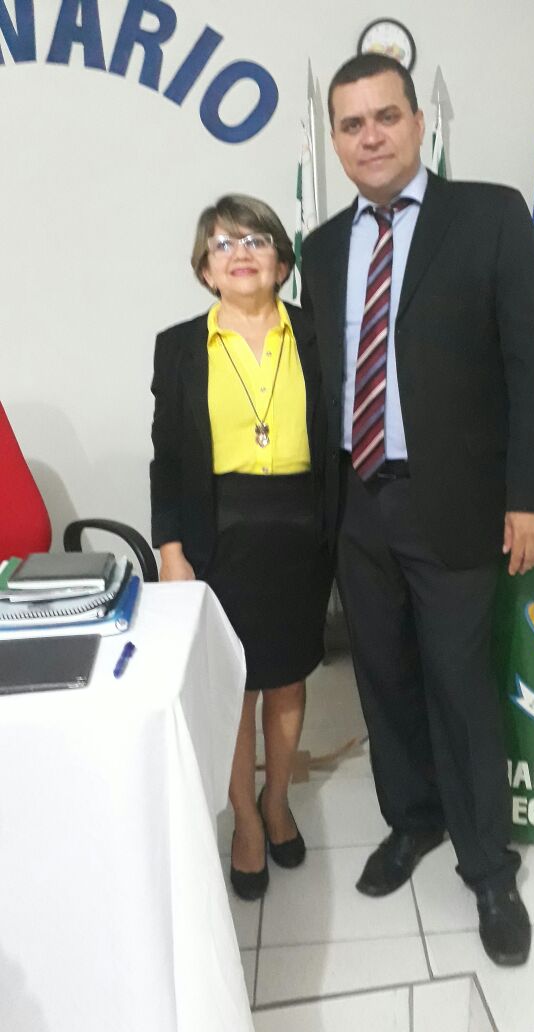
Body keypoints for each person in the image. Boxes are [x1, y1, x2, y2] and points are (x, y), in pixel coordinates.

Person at [301, 55, 534, 966]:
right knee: (383, 678)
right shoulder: (321, 249)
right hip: (357, 501)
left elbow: (532, 366)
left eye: (385, 117)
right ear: (335, 140)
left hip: (454, 502)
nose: (369, 136)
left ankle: (488, 866)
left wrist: (532, 496)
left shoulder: (489, 217)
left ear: (418, 124)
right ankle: (413, 819)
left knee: (460, 686)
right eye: (351, 124)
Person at [150, 195, 331, 900]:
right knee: (234, 685)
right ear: (205, 270)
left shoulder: (317, 335)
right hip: (216, 534)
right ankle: (246, 822)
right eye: (223, 244)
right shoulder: (178, 347)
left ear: (282, 263)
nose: (241, 253)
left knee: (286, 678)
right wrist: (170, 547)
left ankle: (277, 800)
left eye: (256, 240)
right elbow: (168, 460)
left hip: (301, 532)